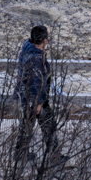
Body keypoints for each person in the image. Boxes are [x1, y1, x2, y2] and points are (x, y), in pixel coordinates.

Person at [16, 24, 57, 156]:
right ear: (44, 40)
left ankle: (21, 153)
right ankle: (53, 155)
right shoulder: (35, 57)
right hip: (36, 98)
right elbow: (35, 81)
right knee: (48, 124)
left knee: (27, 124)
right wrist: (38, 102)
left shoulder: (27, 49)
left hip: (28, 96)